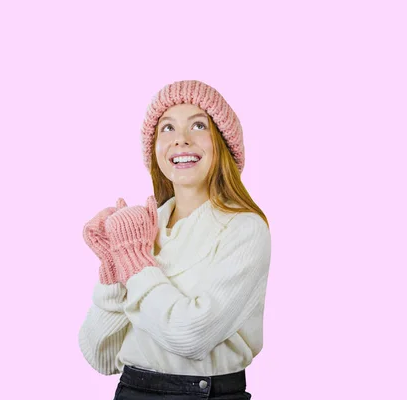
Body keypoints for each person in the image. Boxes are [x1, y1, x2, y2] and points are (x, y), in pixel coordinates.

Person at [79, 80, 272, 399]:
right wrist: (114, 265)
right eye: (166, 128)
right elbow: (100, 356)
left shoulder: (245, 229)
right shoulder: (143, 231)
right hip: (131, 390)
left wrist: (134, 260)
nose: (181, 139)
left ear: (223, 143)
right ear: (155, 149)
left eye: (198, 125)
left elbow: (191, 337)